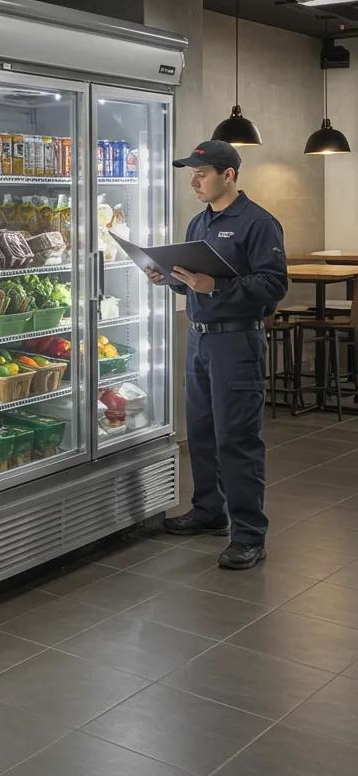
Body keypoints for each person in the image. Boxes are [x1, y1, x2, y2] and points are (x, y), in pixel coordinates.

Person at [147, 140, 288, 569]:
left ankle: (248, 535)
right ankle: (210, 512)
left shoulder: (258, 223)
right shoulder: (198, 222)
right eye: (192, 173)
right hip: (200, 340)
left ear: (229, 175)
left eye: (202, 173)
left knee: (237, 440)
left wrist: (219, 288)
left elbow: (274, 285)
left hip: (237, 343)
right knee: (202, 434)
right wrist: (168, 278)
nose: (194, 181)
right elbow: (195, 278)